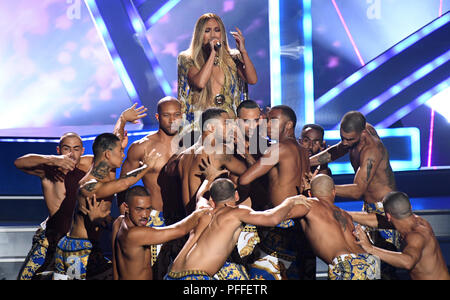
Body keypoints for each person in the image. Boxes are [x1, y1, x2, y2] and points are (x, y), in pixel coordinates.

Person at [54, 106, 161, 280]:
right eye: (121, 151)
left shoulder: (108, 169)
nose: (123, 152)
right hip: (76, 251)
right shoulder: (89, 186)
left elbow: (113, 143)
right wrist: (147, 165)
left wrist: (122, 119)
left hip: (93, 247)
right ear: (108, 155)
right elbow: (125, 183)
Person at [165, 177, 314, 280]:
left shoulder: (204, 210)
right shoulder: (236, 212)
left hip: (172, 274)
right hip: (197, 277)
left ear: (212, 199)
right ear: (236, 196)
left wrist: (208, 178)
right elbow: (272, 219)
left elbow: (199, 196)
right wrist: (290, 200)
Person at [309, 111, 400, 278]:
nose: (345, 142)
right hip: (368, 208)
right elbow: (337, 150)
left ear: (363, 132)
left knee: (385, 268)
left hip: (383, 211)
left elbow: (358, 190)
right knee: (370, 264)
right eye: (342, 137)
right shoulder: (353, 136)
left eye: (349, 139)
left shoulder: (372, 150)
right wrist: (306, 162)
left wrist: (320, 186)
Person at [237, 105, 311, 280]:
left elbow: (244, 179)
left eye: (272, 121)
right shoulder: (302, 150)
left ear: (289, 125)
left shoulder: (279, 149)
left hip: (279, 224)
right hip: (297, 222)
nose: (267, 125)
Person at [14, 133, 90, 280]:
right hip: (51, 237)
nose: (71, 154)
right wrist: (53, 160)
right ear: (58, 150)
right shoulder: (48, 170)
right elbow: (19, 162)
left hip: (76, 241)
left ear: (82, 151)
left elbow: (107, 153)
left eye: (76, 149)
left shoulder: (88, 167)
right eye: (66, 148)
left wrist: (122, 122)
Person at [118, 97, 183, 266]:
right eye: (167, 115)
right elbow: (123, 184)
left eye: (176, 115)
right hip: (154, 218)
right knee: (152, 271)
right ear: (157, 117)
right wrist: (124, 219)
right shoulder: (142, 147)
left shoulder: (191, 145)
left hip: (184, 217)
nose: (172, 120)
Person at [290, 174, 381, 280]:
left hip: (347, 264)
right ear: (334, 192)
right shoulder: (346, 216)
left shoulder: (310, 208)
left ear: (310, 194)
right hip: (369, 262)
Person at [110, 186, 209, 280]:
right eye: (139, 209)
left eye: (148, 208)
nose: (145, 215)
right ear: (126, 207)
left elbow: (115, 264)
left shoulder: (118, 222)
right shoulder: (136, 234)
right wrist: (199, 212)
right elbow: (180, 230)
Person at [177, 13, 257, 123]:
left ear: (222, 34)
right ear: (200, 34)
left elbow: (252, 80)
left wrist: (243, 52)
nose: (213, 35)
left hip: (229, 122)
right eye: (207, 31)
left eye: (217, 30)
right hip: (200, 124)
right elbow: (200, 83)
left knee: (257, 139)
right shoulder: (187, 59)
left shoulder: (232, 58)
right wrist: (213, 53)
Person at [351, 191, 450, 280]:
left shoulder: (416, 236)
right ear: (410, 207)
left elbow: (408, 262)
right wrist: (346, 214)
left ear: (388, 216)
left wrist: (370, 249)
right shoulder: (411, 220)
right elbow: (378, 220)